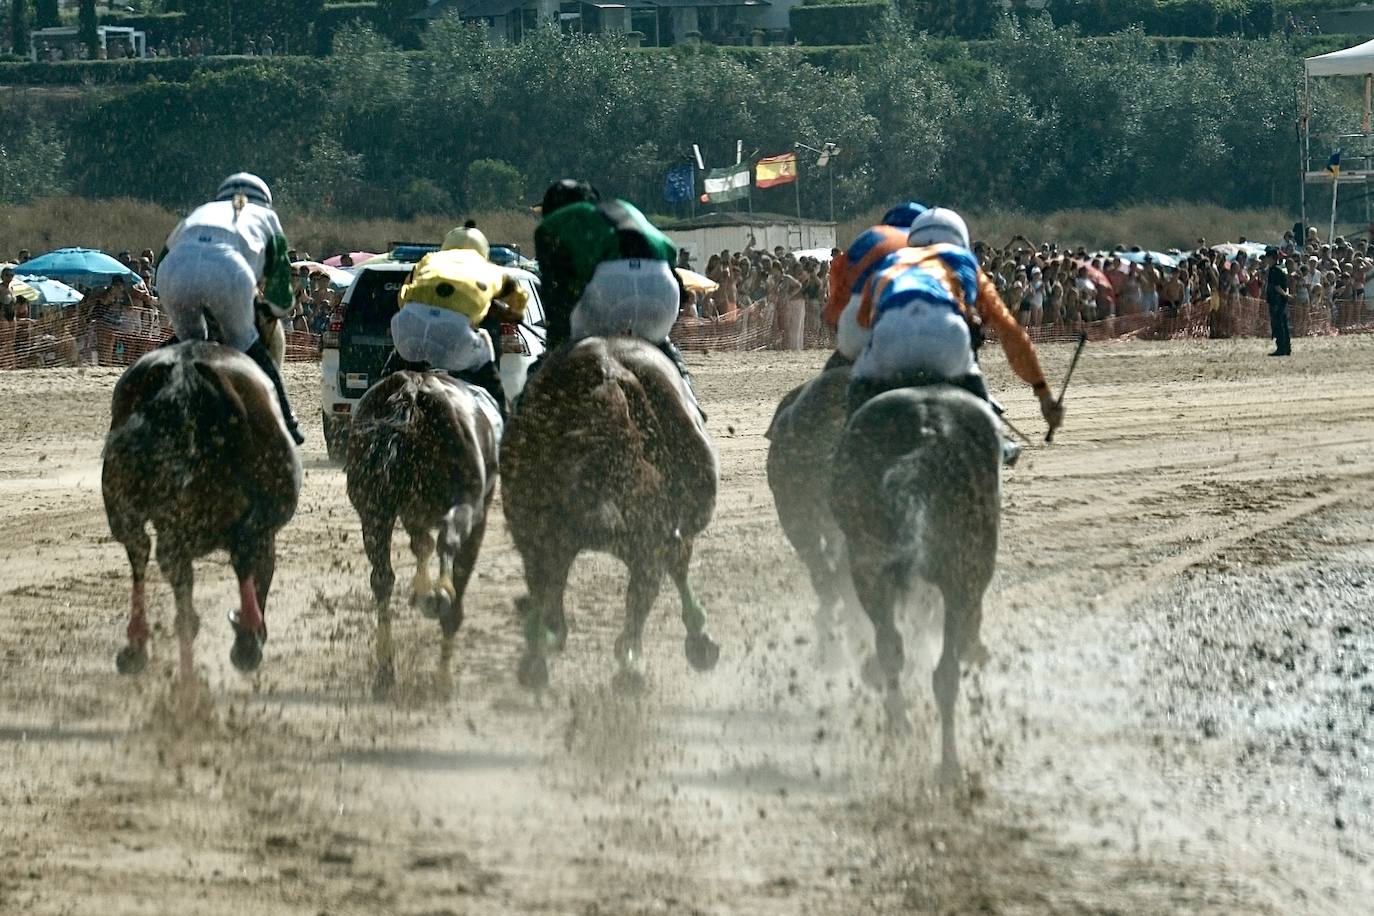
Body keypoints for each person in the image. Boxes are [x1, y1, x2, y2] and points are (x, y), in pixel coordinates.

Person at [846, 207, 1064, 461]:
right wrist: (1043, 394)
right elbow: (1010, 331)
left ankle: (846, 450)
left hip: (891, 338)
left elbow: (862, 320)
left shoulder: (891, 261)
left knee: (858, 382)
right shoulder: (964, 261)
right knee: (973, 378)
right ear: (961, 240)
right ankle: (995, 440)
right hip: (948, 340)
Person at [155, 172, 303, 444]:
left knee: (189, 343)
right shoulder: (267, 218)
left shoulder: (201, 212)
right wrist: (274, 308)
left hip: (174, 270)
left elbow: (161, 259)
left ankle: (147, 393)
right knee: (246, 342)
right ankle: (288, 422)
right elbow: (280, 297)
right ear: (265, 202)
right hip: (228, 272)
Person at [531, 179, 698, 407]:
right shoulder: (622, 209)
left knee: (556, 358)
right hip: (662, 286)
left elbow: (555, 293)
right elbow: (678, 283)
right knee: (661, 343)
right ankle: (690, 400)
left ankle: (526, 419)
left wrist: (556, 346)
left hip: (610, 288)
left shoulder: (553, 225)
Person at [382, 225, 525, 417]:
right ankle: (501, 416)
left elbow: (403, 298)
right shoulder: (492, 270)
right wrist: (509, 314)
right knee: (484, 345)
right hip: (455, 336)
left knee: (392, 371)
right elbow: (519, 301)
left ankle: (380, 396)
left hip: (410, 324)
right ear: (483, 252)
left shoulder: (428, 260)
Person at [1264, 249, 1292, 357]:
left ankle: (1281, 348)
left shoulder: (1273, 270)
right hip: (1281, 301)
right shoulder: (1281, 269)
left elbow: (1276, 286)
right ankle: (1287, 347)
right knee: (1283, 324)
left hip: (1276, 301)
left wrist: (1284, 294)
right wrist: (1286, 295)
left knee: (1278, 325)